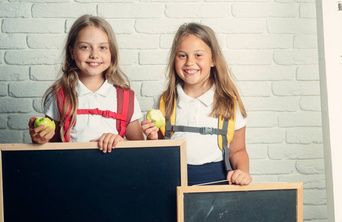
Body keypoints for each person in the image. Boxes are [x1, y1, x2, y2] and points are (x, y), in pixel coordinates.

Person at [141, 23, 252, 186]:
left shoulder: (228, 103)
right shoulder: (164, 102)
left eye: (198, 55)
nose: (189, 62)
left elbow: (238, 150)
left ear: (213, 59)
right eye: (182, 55)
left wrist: (242, 171)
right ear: (174, 59)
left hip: (217, 181)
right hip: (172, 181)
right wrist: (151, 138)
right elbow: (158, 152)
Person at [28, 15, 144, 153]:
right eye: (85, 47)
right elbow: (50, 149)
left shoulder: (126, 98)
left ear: (111, 52)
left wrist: (122, 142)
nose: (94, 54)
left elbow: (140, 150)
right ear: (72, 52)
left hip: (115, 172)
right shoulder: (59, 95)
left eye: (102, 47)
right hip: (71, 171)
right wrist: (40, 139)